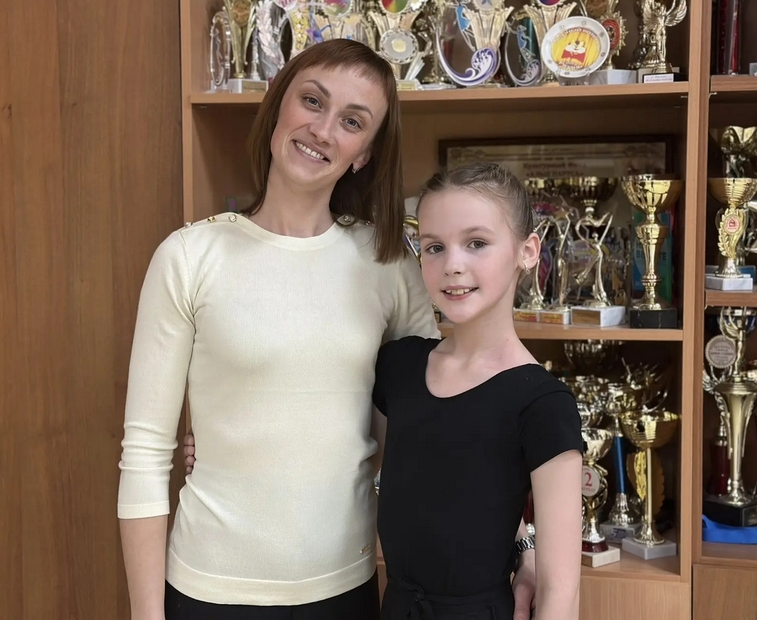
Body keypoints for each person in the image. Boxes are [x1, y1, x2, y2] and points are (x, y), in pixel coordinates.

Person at [118, 38, 537, 620]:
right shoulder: (189, 256)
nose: (322, 129)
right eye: (312, 101)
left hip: (346, 591)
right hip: (209, 590)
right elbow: (144, 454)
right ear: (278, 104)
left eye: (352, 121)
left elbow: (441, 429)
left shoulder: (388, 263)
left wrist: (524, 542)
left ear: (365, 153)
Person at [373, 163, 584, 620]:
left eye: (476, 243)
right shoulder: (398, 367)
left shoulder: (543, 404)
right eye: (434, 247)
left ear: (527, 251)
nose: (452, 264)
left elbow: (561, 593)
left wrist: (527, 549)